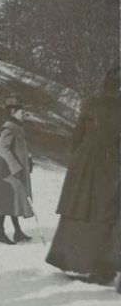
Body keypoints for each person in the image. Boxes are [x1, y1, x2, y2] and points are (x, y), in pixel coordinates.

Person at [45, 67, 121, 284]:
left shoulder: (92, 103)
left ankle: (68, 260)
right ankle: (99, 268)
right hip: (109, 163)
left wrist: (79, 156)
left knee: (77, 207)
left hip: (83, 161)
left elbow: (77, 135)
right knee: (105, 212)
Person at [0, 96, 33, 244]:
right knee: (5, 201)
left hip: (13, 169)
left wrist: (28, 160)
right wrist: (15, 167)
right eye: (20, 111)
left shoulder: (17, 127)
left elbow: (19, 149)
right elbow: (2, 149)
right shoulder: (9, 127)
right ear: (12, 112)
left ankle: (17, 232)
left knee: (13, 200)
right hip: (6, 170)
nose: (23, 114)